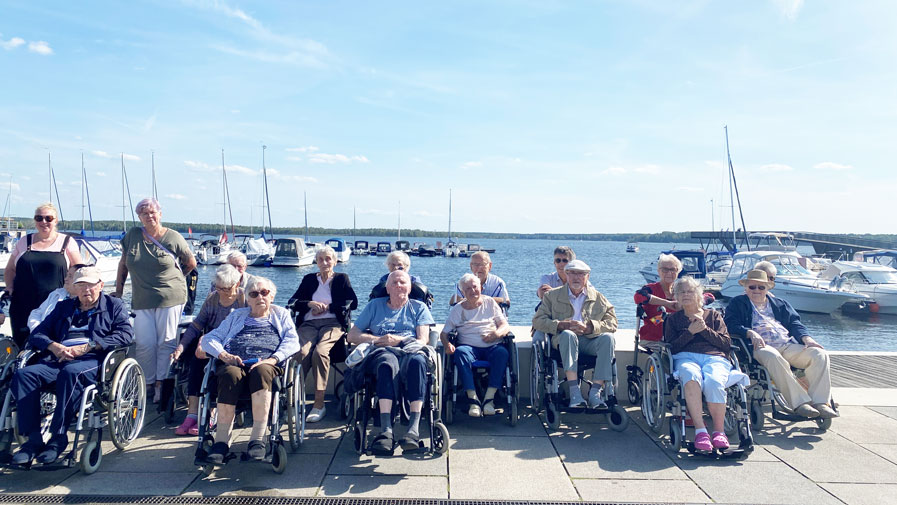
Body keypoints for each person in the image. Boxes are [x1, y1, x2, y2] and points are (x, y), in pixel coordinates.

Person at [9, 267, 133, 466]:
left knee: (70, 373)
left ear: (101, 285)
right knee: (25, 374)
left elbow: (125, 335)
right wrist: (54, 346)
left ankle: (58, 438)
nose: (86, 290)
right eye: (81, 285)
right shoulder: (64, 307)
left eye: (90, 285)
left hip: (92, 359)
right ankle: (33, 440)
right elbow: (38, 333)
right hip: (59, 358)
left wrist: (88, 346)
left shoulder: (113, 306)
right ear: (75, 288)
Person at [201, 277, 300, 462]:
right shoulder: (236, 315)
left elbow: (292, 342)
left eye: (264, 293)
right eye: (254, 294)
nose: (260, 297)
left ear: (272, 296)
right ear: (247, 299)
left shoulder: (281, 314)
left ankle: (257, 439)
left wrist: (272, 359)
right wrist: (224, 355)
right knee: (229, 374)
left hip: (267, 365)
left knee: (261, 371)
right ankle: (221, 441)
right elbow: (209, 339)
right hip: (235, 363)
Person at [723, 269, 837, 419]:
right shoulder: (737, 303)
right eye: (752, 287)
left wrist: (807, 339)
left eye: (761, 287)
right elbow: (730, 324)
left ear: (767, 288)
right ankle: (800, 403)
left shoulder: (780, 304)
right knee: (773, 356)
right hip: (759, 347)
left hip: (786, 344)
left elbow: (795, 323)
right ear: (746, 287)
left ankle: (821, 403)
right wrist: (749, 332)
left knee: (819, 354)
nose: (756, 290)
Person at [115, 198, 197, 404]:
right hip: (141, 298)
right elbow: (123, 264)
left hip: (170, 297)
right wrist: (118, 291)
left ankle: (161, 383)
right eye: (144, 213)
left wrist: (176, 278)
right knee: (144, 343)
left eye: (153, 212)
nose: (149, 216)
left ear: (160, 214)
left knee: (165, 342)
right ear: (139, 217)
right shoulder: (133, 235)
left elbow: (190, 263)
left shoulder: (173, 237)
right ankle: (147, 383)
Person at [347, 270, 435, 455]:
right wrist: (378, 339)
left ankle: (413, 429)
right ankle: (386, 430)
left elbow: (423, 340)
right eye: (394, 283)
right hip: (382, 351)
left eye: (403, 282)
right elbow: (352, 335)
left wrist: (398, 341)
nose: (398, 286)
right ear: (386, 288)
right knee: (387, 363)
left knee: (418, 361)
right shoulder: (374, 306)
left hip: (409, 350)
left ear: (410, 288)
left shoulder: (419, 307)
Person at [171, 264, 247, 436]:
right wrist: (181, 347)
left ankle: (213, 411)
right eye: (218, 288)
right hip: (211, 341)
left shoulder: (244, 300)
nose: (221, 292)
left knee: (219, 369)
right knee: (196, 361)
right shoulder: (213, 298)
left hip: (233, 343)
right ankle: (192, 413)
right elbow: (197, 325)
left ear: (237, 284)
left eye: (225, 289)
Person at [533, 259, 617, 408]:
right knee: (568, 334)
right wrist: (561, 325)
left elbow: (612, 322)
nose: (576, 277)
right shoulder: (552, 296)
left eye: (581, 274)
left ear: (587, 277)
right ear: (566, 275)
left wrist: (589, 328)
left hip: (588, 341)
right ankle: (574, 393)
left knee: (608, 338)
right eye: (572, 273)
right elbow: (538, 321)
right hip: (562, 341)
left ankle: (595, 393)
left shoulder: (598, 297)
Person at [289, 246, 358, 423]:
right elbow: (293, 301)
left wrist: (329, 307)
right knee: (301, 352)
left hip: (333, 323)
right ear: (316, 262)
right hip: (309, 323)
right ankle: (293, 400)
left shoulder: (342, 278)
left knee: (320, 352)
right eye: (321, 259)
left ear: (335, 261)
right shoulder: (309, 279)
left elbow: (353, 303)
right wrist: (310, 304)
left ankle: (319, 405)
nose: (325, 262)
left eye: (328, 259)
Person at [664, 276, 733, 451]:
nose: (686, 295)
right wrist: (689, 332)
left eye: (690, 291)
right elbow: (672, 348)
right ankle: (701, 431)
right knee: (690, 376)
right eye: (681, 292)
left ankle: (719, 432)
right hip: (685, 357)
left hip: (714, 357)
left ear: (699, 294)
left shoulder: (714, 316)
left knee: (714, 381)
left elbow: (726, 344)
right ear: (676, 297)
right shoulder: (673, 320)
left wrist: (704, 330)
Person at [4, 203, 82, 347]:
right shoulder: (24, 241)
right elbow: (9, 269)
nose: (43, 222)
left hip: (55, 306)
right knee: (22, 346)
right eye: (39, 218)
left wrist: (75, 291)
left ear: (56, 220)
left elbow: (79, 271)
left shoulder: (67, 242)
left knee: (52, 347)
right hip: (22, 305)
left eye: (48, 218)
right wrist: (10, 286)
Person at [440, 273, 510, 417]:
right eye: (468, 289)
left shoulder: (490, 303)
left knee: (502, 353)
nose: (472, 291)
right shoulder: (458, 309)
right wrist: (447, 345)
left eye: (475, 287)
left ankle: (489, 399)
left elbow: (504, 325)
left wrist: (496, 334)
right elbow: (444, 333)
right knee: (460, 352)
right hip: (469, 347)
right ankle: (473, 400)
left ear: (481, 288)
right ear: (463, 292)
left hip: (492, 346)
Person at [633, 253, 682, 342]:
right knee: (667, 317)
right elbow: (638, 296)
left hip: (678, 337)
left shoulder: (681, 291)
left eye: (673, 269)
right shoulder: (651, 289)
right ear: (658, 271)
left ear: (678, 272)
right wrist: (667, 303)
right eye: (665, 269)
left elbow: (705, 296)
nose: (669, 273)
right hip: (654, 334)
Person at [27, 264, 86, 331]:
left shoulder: (85, 302)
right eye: (67, 275)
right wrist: (38, 330)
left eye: (70, 276)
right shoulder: (56, 294)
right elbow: (36, 313)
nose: (65, 279)